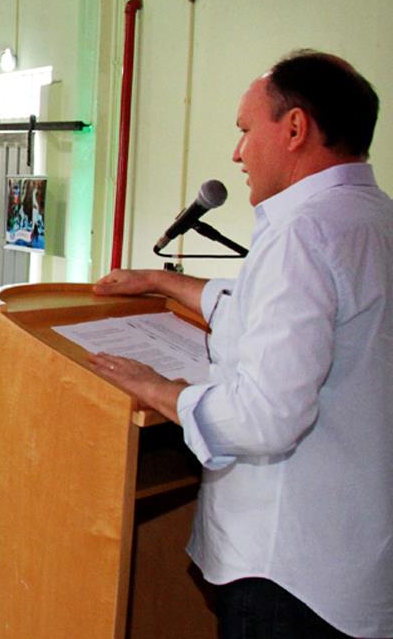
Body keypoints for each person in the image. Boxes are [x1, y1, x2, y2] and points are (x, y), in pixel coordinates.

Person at [88, 51, 391, 638]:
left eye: (246, 130)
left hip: (286, 571)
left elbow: (265, 416)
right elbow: (265, 313)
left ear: (295, 128)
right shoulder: (372, 218)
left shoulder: (304, 230)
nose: (237, 153)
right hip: (353, 565)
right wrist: (162, 282)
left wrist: (160, 389)